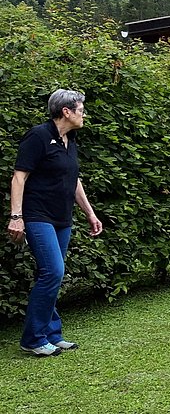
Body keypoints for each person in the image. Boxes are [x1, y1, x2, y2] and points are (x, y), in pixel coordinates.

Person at [7, 89, 103, 357]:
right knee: (53, 272)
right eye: (81, 110)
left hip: (62, 218)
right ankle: (33, 339)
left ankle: (51, 334)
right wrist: (16, 217)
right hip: (38, 215)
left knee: (49, 274)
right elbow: (19, 177)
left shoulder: (70, 139)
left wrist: (90, 213)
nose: (84, 115)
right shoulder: (38, 136)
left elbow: (73, 179)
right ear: (66, 112)